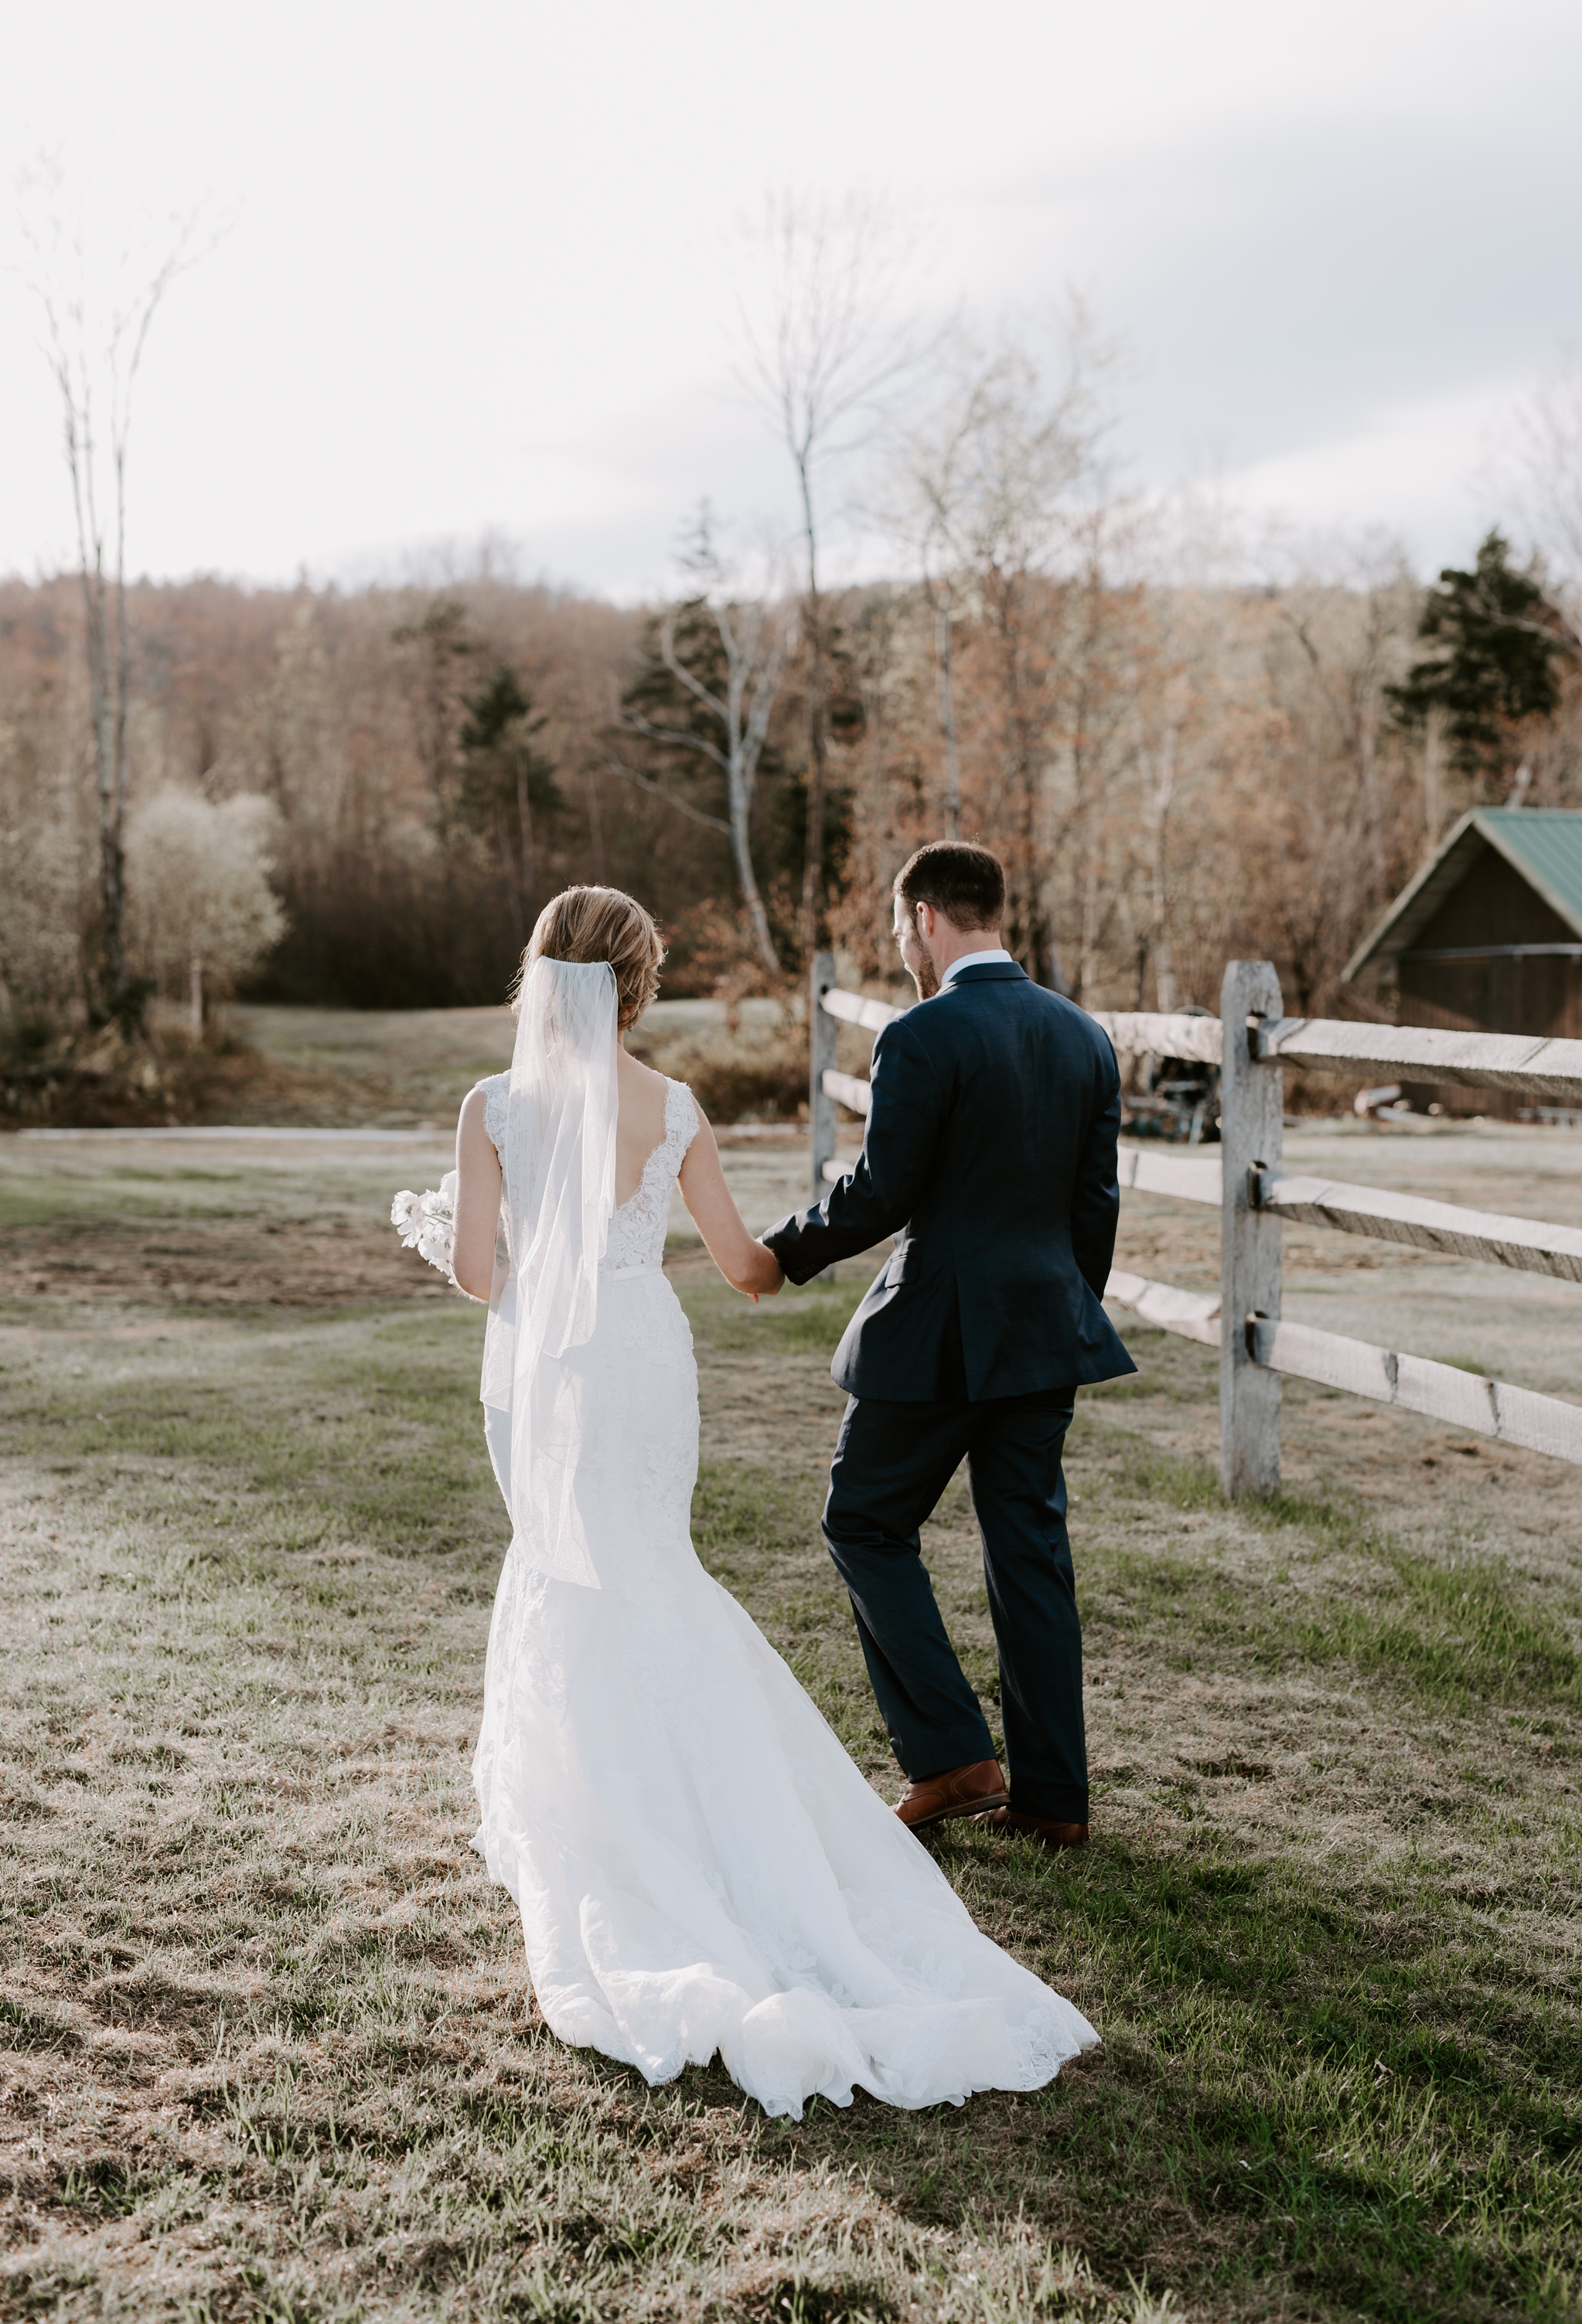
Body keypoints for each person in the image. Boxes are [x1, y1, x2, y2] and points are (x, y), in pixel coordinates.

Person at [445, 882, 1096, 2120]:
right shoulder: (675, 1108)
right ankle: (734, 1805)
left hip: (550, 1366)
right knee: (651, 1568)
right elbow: (742, 1263)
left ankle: (593, 1800)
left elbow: (484, 1277)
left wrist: (464, 1242)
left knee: (568, 1564)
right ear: (636, 985)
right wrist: (789, 1261)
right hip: (644, 1359)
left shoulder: (491, 1108)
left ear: (541, 976)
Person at [760, 842, 1134, 1851]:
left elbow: (884, 1189)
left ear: (926, 917)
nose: (903, 949)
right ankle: (1054, 1800)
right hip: (1045, 1334)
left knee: (864, 1519)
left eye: (900, 931)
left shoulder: (924, 1034)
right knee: (1031, 1557)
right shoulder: (1082, 1036)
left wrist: (783, 1253)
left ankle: (952, 1757)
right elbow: (1094, 1207)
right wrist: (1061, 1316)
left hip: (934, 1336)